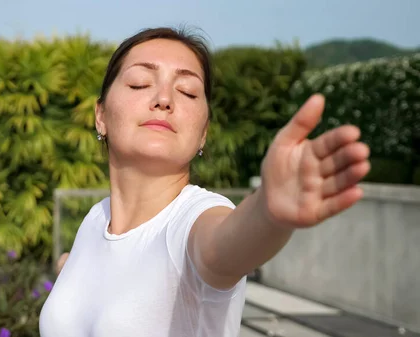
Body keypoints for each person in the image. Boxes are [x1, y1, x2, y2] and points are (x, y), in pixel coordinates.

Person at [39, 26, 370, 337]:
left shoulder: (196, 219)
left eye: (187, 91)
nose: (164, 98)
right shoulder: (96, 219)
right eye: (140, 82)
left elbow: (222, 244)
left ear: (203, 134)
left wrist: (268, 211)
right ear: (101, 116)